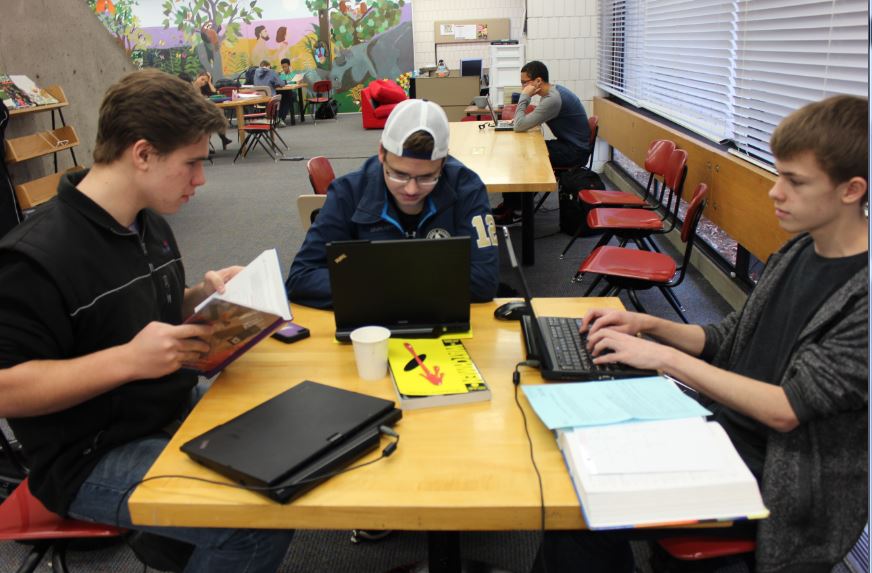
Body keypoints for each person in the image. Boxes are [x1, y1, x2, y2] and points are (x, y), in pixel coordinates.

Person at [535, 95, 868, 573]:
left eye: (794, 182)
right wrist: (647, 324)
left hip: (778, 478)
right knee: (572, 467)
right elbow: (729, 338)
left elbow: (787, 410)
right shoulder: (801, 250)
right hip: (721, 431)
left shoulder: (862, 298)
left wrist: (663, 358)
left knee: (580, 506)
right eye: (778, 175)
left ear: (851, 190)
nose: (776, 192)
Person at [0, 70, 294, 572]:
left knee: (284, 431)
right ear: (142, 154)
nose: (201, 178)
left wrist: (199, 296)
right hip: (89, 456)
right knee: (252, 518)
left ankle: (170, 540)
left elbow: (136, 312)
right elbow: (7, 389)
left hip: (167, 406)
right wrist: (128, 362)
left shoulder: (147, 220)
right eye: (192, 163)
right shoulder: (33, 259)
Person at [286, 98, 499, 308]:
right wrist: (412, 285)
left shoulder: (467, 188)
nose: (411, 189)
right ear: (381, 154)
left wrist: (375, 285)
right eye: (399, 174)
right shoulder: (348, 192)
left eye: (427, 177)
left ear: (443, 163)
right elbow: (301, 277)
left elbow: (483, 281)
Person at [494, 60, 591, 224]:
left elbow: (519, 125)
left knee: (520, 157)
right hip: (569, 145)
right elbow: (527, 122)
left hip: (574, 152)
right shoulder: (552, 93)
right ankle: (512, 204)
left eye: (525, 82)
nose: (522, 87)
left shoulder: (553, 99)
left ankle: (515, 209)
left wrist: (524, 97)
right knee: (523, 153)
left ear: (538, 81)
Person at [194, 70, 233, 149]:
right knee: (217, 116)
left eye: (205, 80)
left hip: (205, 109)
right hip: (196, 113)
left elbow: (214, 93)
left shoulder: (205, 85)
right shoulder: (193, 86)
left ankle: (219, 140)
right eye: (202, 79)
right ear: (198, 77)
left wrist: (209, 82)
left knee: (218, 115)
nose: (203, 82)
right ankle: (221, 139)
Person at [277, 58, 297, 126]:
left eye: (285, 66)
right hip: (283, 93)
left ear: (289, 66)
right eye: (282, 67)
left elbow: (297, 82)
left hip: (292, 93)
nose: (284, 68)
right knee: (282, 98)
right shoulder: (280, 75)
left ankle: (281, 118)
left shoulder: (294, 74)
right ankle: (279, 118)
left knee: (287, 98)